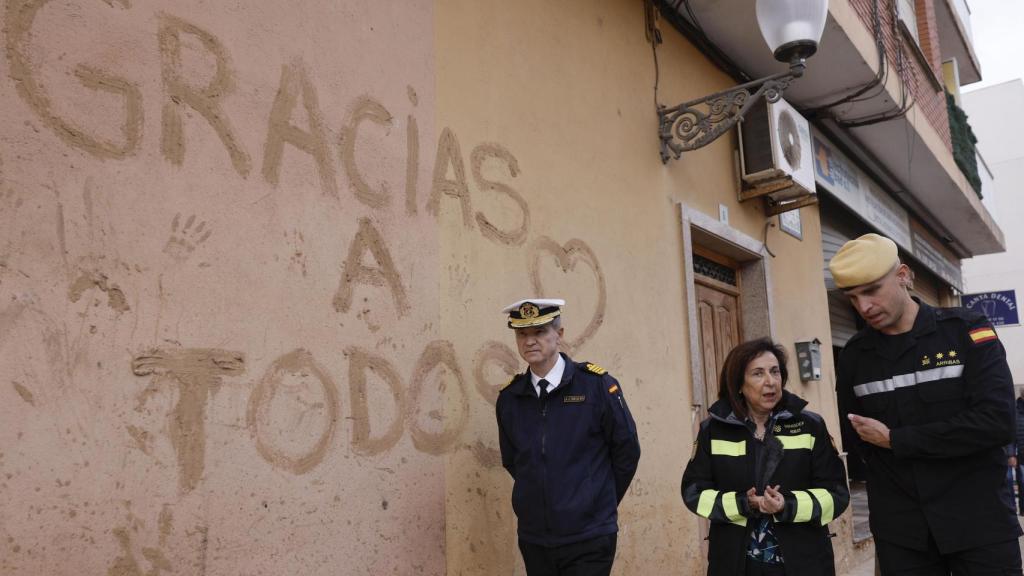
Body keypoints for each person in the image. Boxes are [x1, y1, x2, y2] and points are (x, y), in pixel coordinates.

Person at [829, 233, 1023, 575]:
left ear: (903, 275)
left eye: (872, 290)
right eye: (853, 297)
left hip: (979, 524)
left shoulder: (967, 332)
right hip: (903, 535)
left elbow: (996, 422)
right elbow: (857, 439)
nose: (864, 308)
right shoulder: (855, 357)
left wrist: (897, 441)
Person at [495, 298, 641, 576]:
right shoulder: (510, 398)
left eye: (539, 332)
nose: (530, 341)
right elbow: (514, 461)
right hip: (535, 537)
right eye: (522, 334)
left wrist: (595, 500)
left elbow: (627, 452)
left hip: (589, 534)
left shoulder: (597, 385)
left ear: (559, 335)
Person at [682, 338, 849, 576]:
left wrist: (786, 505)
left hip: (804, 562)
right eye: (758, 374)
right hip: (735, 563)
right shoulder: (712, 430)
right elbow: (694, 493)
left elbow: (837, 494)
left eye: (775, 372)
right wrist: (744, 503)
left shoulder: (810, 425)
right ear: (739, 383)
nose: (770, 382)